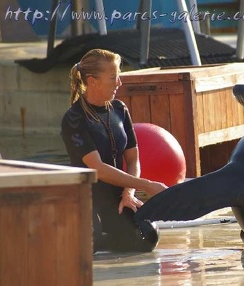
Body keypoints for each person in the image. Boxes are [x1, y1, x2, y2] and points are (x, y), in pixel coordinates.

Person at [61, 49, 167, 252]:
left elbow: (133, 159)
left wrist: (129, 192)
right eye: (113, 78)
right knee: (90, 241)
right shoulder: (74, 118)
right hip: (88, 198)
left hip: (117, 196)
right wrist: (148, 185)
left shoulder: (120, 109)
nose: (119, 83)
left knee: (147, 236)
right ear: (93, 81)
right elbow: (98, 168)